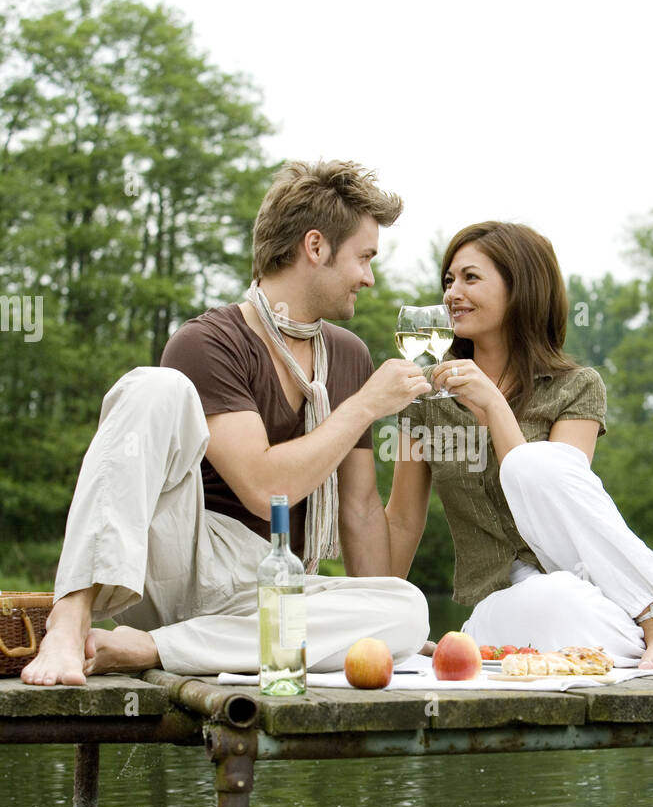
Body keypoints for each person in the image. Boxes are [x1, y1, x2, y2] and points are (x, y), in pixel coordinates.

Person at [22, 160, 433, 687]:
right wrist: (364, 406)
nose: (369, 278)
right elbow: (267, 490)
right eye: (364, 257)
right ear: (315, 247)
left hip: (272, 584)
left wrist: (377, 620)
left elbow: (357, 509)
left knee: (408, 608)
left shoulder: (349, 356)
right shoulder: (209, 341)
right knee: (155, 386)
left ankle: (147, 648)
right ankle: (70, 617)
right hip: (188, 560)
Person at [384, 221, 653, 670]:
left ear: (522, 286)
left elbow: (557, 501)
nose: (451, 292)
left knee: (537, 470)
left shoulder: (575, 387)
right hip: (505, 602)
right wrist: (379, 621)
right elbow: (403, 519)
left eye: (470, 277)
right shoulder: (426, 395)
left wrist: (492, 403)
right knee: (556, 599)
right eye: (448, 280)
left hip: (586, 580)